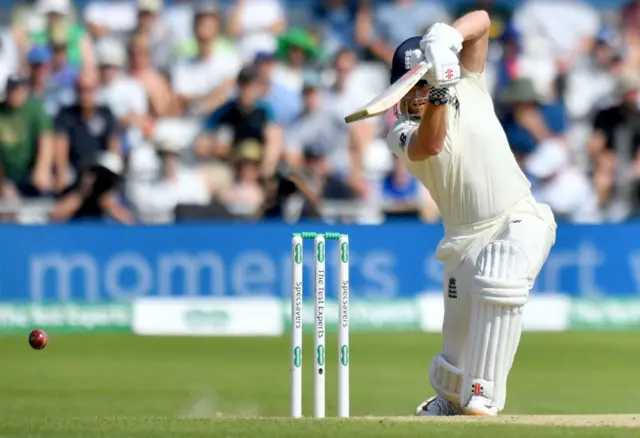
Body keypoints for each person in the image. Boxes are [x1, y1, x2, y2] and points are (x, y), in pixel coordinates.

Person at [377, 11, 557, 416]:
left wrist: (447, 38)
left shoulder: (470, 84)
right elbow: (433, 144)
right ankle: (453, 399)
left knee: (503, 271)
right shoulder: (401, 132)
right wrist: (439, 90)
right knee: (454, 358)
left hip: (519, 215)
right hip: (463, 240)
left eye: (422, 85)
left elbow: (481, 20)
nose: (417, 95)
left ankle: (486, 392)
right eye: (411, 88)